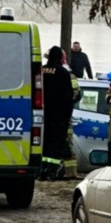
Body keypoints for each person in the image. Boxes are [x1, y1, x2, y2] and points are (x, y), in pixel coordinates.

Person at [39, 46, 81, 180]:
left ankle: (42, 172)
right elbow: (68, 96)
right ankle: (52, 172)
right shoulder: (63, 72)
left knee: (44, 143)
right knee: (56, 144)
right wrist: (67, 116)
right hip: (58, 116)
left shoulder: (41, 70)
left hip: (42, 115)